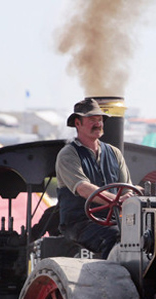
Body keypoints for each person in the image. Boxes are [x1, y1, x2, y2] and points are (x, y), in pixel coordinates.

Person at [55, 98, 136, 259]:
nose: (98, 124)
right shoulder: (68, 155)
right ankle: (110, 280)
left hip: (114, 221)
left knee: (146, 236)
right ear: (77, 123)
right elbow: (83, 188)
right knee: (115, 237)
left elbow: (128, 189)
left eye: (100, 120)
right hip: (80, 224)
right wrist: (117, 200)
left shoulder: (114, 153)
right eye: (92, 120)